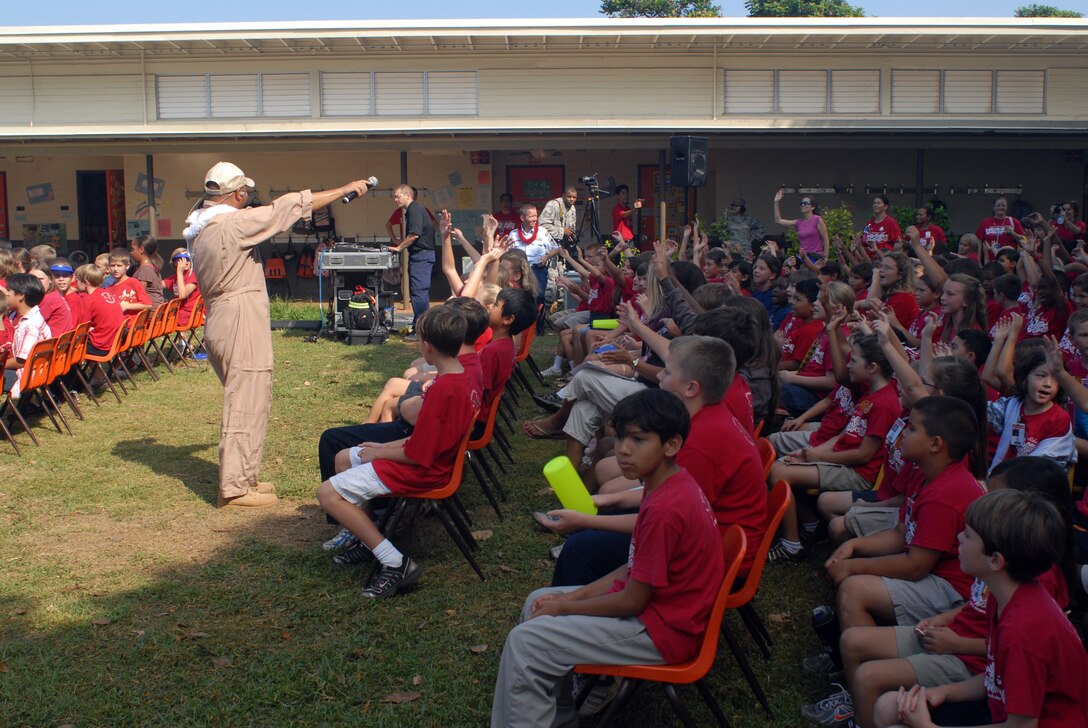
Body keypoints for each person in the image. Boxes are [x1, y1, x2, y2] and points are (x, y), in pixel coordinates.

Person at [490, 388, 724, 728]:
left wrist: (567, 606)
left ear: (671, 445)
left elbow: (632, 601)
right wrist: (571, 596)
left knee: (526, 643)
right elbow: (633, 568)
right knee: (538, 601)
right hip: (661, 612)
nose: (624, 450)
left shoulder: (665, 508)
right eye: (620, 439)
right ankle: (558, 718)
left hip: (664, 632)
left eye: (639, 440)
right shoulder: (667, 483)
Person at [184, 161, 373, 508]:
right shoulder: (234, 223)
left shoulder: (200, 225)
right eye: (246, 194)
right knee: (246, 402)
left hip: (220, 317)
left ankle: (245, 476)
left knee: (245, 397)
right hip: (239, 315)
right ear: (239, 194)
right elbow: (289, 205)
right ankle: (236, 488)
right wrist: (344, 189)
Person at [543, 335, 766, 587]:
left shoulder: (702, 441)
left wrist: (586, 520)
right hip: (702, 537)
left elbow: (668, 518)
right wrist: (607, 499)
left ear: (691, 388)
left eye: (667, 372)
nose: (659, 376)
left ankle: (578, 615)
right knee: (606, 515)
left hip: (710, 558)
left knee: (580, 549)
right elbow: (661, 497)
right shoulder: (705, 418)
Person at [873, 488, 1088, 728]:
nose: (958, 537)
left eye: (968, 534)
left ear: (995, 561)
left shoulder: (1022, 632)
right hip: (997, 711)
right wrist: (945, 692)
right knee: (887, 706)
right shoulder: (1004, 595)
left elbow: (1022, 725)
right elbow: (994, 678)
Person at [316, 305, 481, 599]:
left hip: (425, 472)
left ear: (427, 347)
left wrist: (379, 454)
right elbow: (423, 440)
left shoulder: (443, 389)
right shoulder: (462, 376)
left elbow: (418, 453)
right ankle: (370, 544)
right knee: (343, 458)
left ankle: (395, 562)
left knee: (327, 494)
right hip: (430, 461)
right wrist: (379, 447)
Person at [828, 397, 985, 632]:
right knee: (854, 560)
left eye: (911, 428)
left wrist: (853, 567)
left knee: (854, 590)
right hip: (929, 571)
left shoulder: (944, 495)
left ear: (935, 444)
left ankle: (867, 660)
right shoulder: (924, 472)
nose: (903, 432)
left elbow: (915, 566)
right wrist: (856, 546)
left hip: (950, 589)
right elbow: (902, 533)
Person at [388, 184, 437, 338]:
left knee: (418, 293)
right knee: (418, 292)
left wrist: (399, 247)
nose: (395, 199)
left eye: (398, 196)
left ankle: (422, 330)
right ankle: (419, 326)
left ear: (408, 195)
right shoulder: (414, 210)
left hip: (421, 256)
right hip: (421, 255)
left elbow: (415, 234)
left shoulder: (414, 209)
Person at [2, 273, 50, 398]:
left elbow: (21, 361)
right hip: (28, 371)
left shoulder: (30, 325)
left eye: (8, 291)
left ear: (21, 296)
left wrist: (1, 363)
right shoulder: (18, 315)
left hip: (23, 375)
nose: (6, 294)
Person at [775, 189, 829, 261]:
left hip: (816, 256)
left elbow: (825, 239)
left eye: (806, 203)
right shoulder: (798, 222)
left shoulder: (817, 219)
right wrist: (776, 202)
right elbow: (778, 220)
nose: (803, 205)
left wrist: (825, 257)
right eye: (801, 203)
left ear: (813, 207)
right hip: (802, 257)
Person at [162, 248, 200, 329]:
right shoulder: (174, 278)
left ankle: (183, 340)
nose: (184, 262)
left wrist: (179, 272)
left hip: (191, 314)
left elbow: (182, 295)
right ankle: (182, 340)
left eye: (187, 259)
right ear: (174, 263)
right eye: (180, 259)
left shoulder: (193, 276)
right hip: (179, 313)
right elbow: (158, 285)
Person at [107, 250, 152, 318]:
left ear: (127, 266)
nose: (115, 269)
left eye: (119, 266)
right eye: (112, 266)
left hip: (132, 326)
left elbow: (148, 305)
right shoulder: (108, 289)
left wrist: (127, 306)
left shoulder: (133, 282)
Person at [129, 234, 164, 307]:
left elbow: (138, 294)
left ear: (141, 249)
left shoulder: (145, 269)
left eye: (133, 249)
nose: (131, 252)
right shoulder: (151, 266)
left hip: (148, 313)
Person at [539, 187, 578, 251]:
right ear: (563, 196)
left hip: (563, 247)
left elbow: (572, 228)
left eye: (574, 197)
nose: (571, 199)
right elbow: (542, 225)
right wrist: (562, 231)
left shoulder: (572, 209)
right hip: (549, 246)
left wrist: (571, 237)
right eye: (569, 197)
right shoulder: (553, 205)